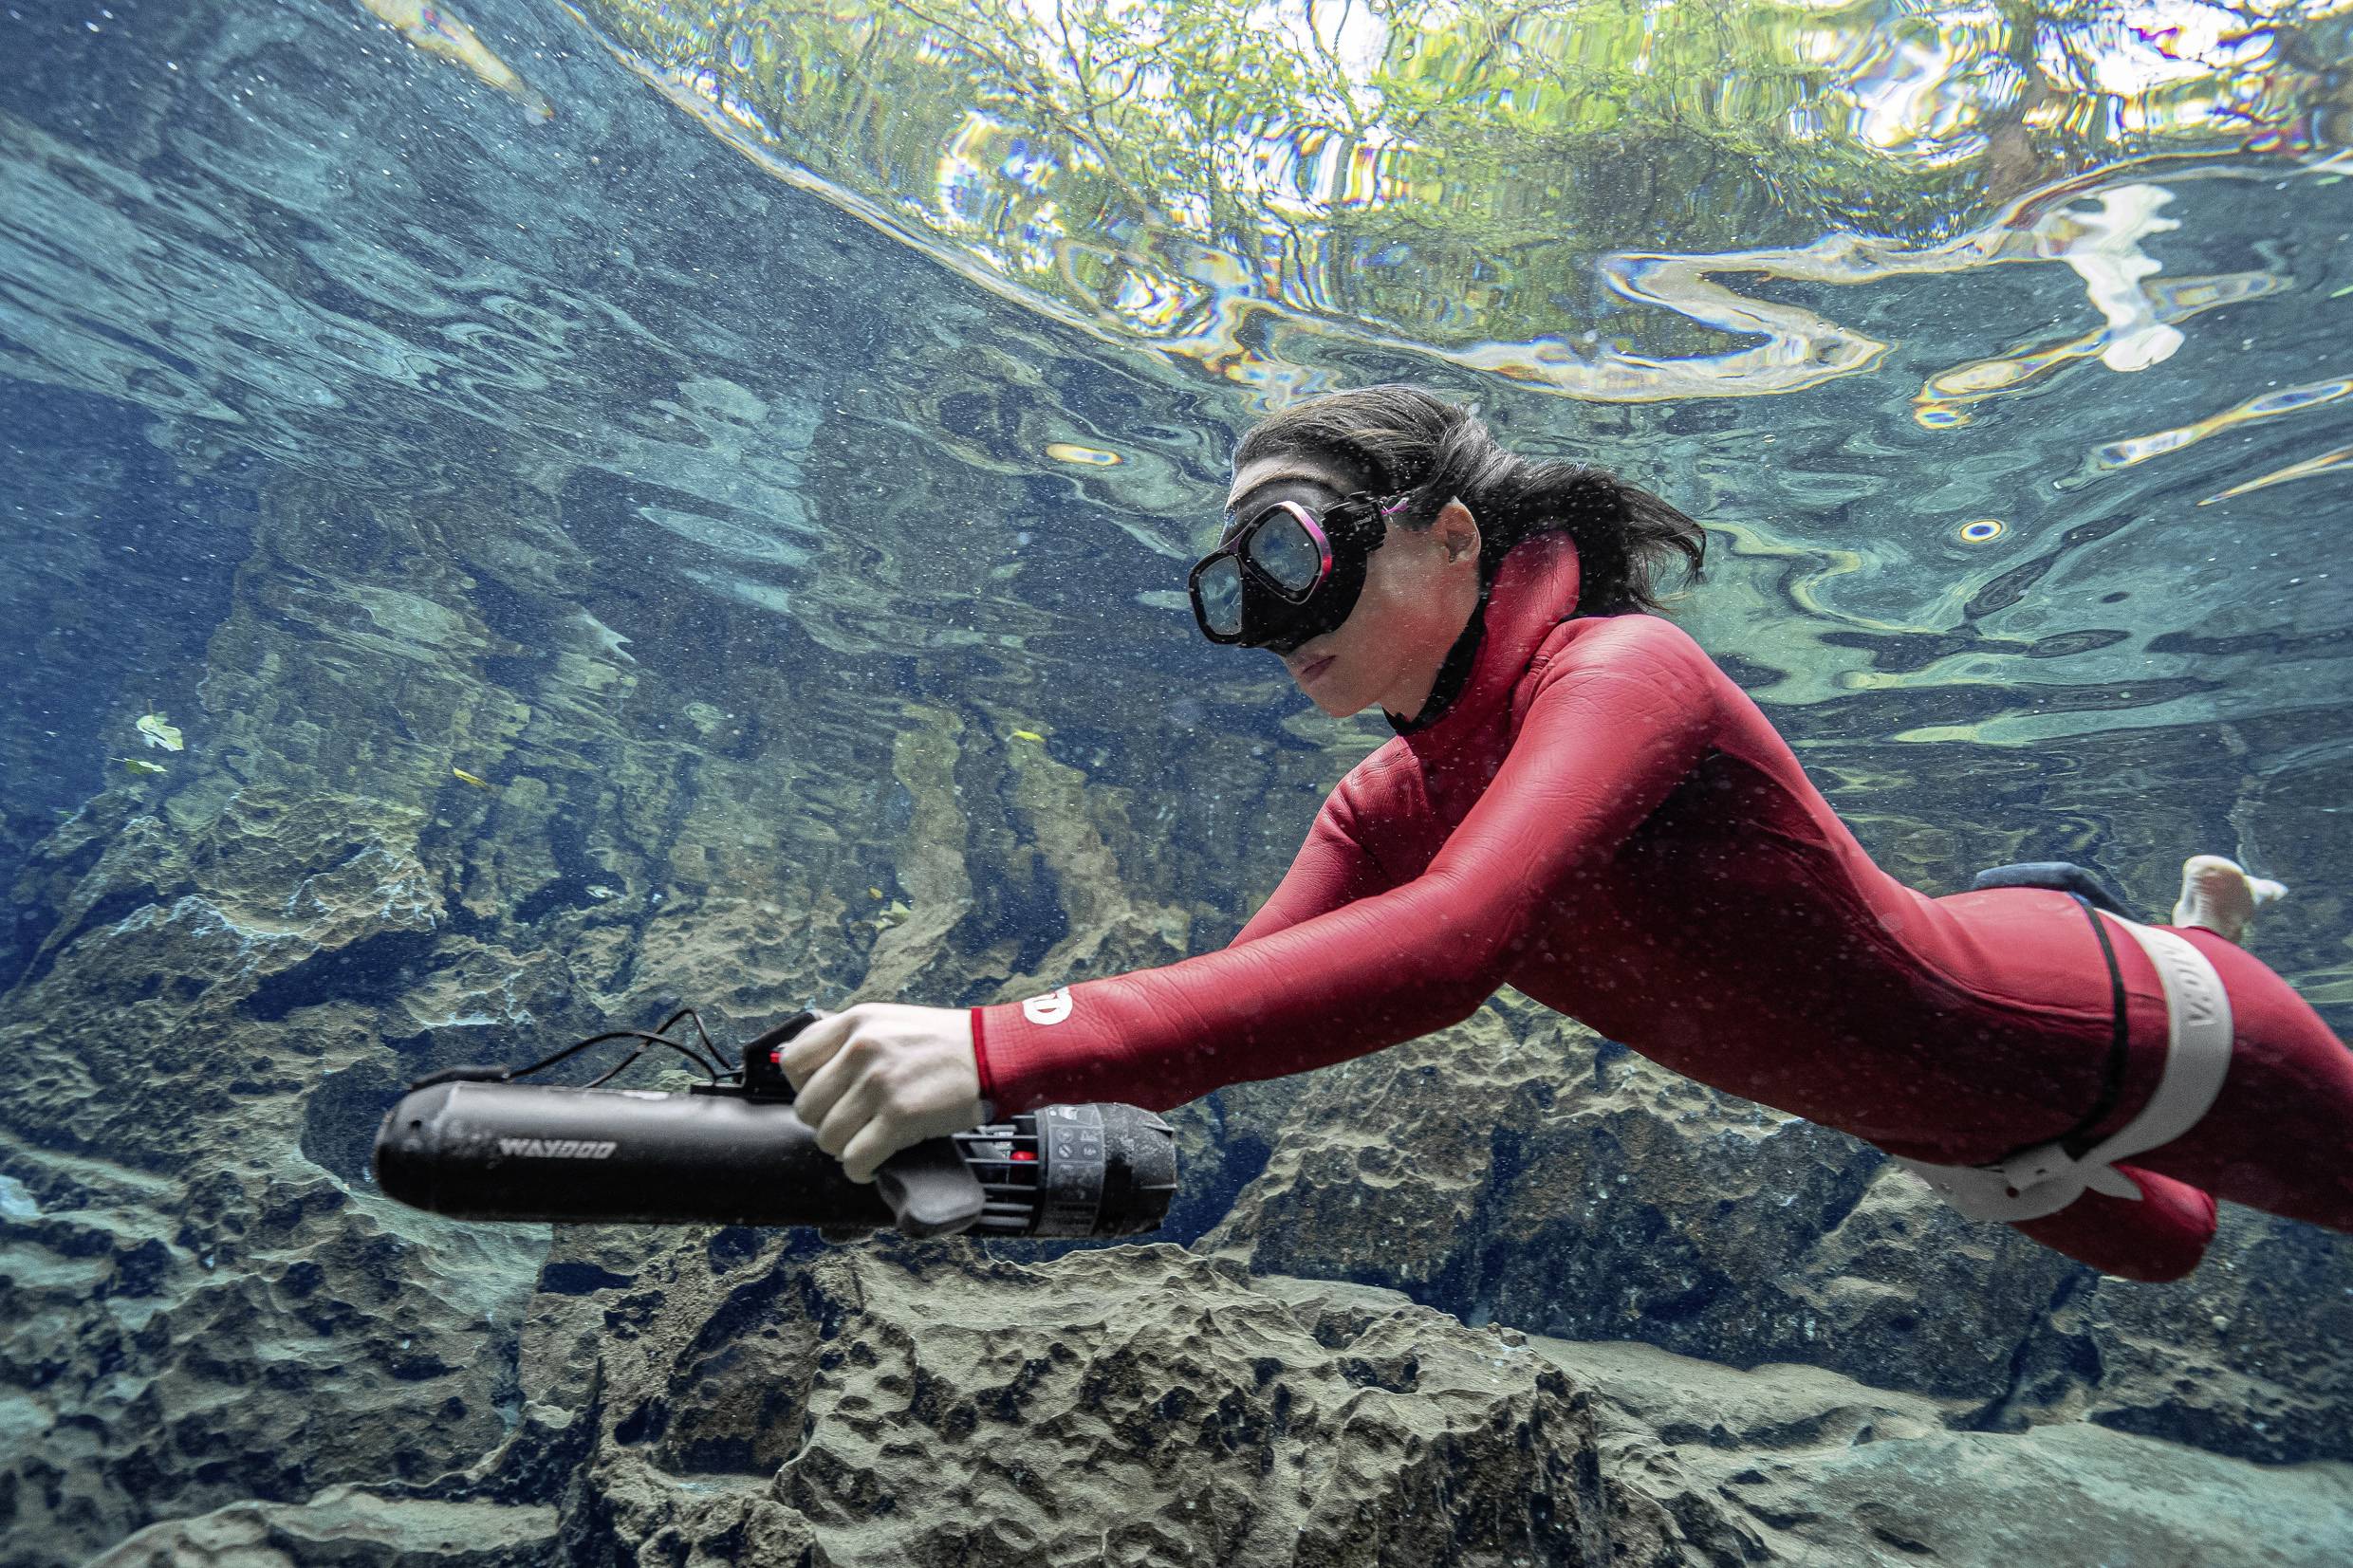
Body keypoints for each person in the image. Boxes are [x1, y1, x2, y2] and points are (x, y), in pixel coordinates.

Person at [783, 384, 2349, 1282]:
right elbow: (1209, 1035)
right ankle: (2182, 909)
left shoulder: (1625, 670)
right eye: (1232, 586)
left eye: (1287, 552)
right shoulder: (1383, 796)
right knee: (2172, 1249)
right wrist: (998, 1141)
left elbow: (1457, 939)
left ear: (1451, 535)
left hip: (2143, 1034)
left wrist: (999, 1035)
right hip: (1965, 1141)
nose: (1268, 623)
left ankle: (2192, 938)